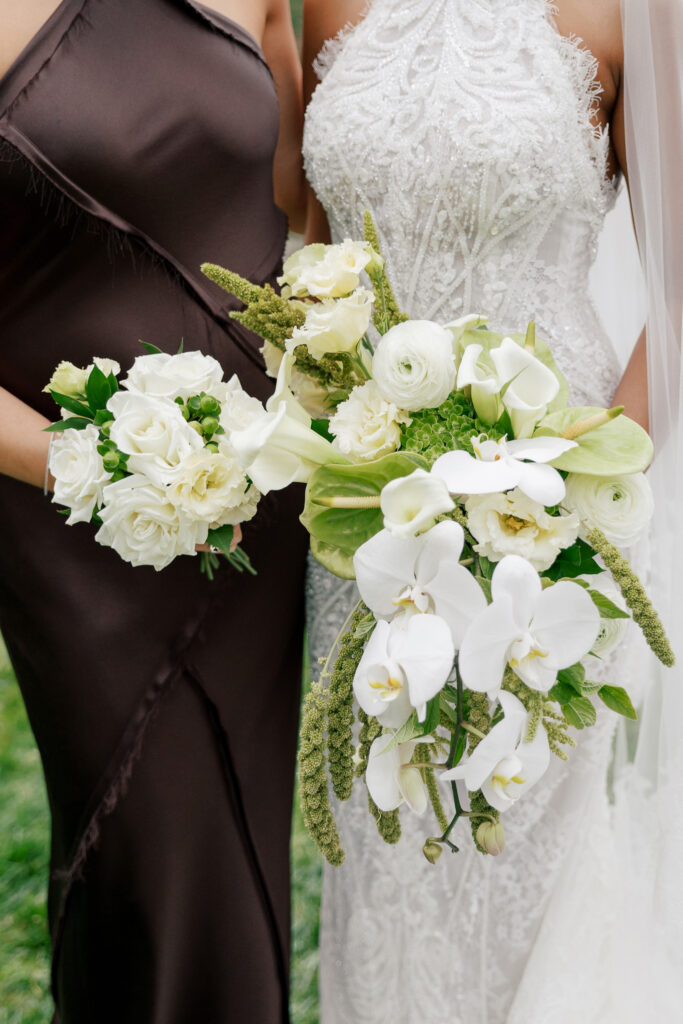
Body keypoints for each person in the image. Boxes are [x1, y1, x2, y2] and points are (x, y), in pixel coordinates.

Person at [301, 0, 682, 1020]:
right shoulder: (331, 6)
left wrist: (565, 488)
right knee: (390, 861)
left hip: (553, 522)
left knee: (522, 854)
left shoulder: (624, 12)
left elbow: (681, 284)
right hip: (368, 513)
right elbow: (306, 242)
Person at [0, 1, 307, 1021]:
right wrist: (102, 469)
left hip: (258, 496)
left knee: (241, 840)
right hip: (73, 524)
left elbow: (302, 210)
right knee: (143, 842)